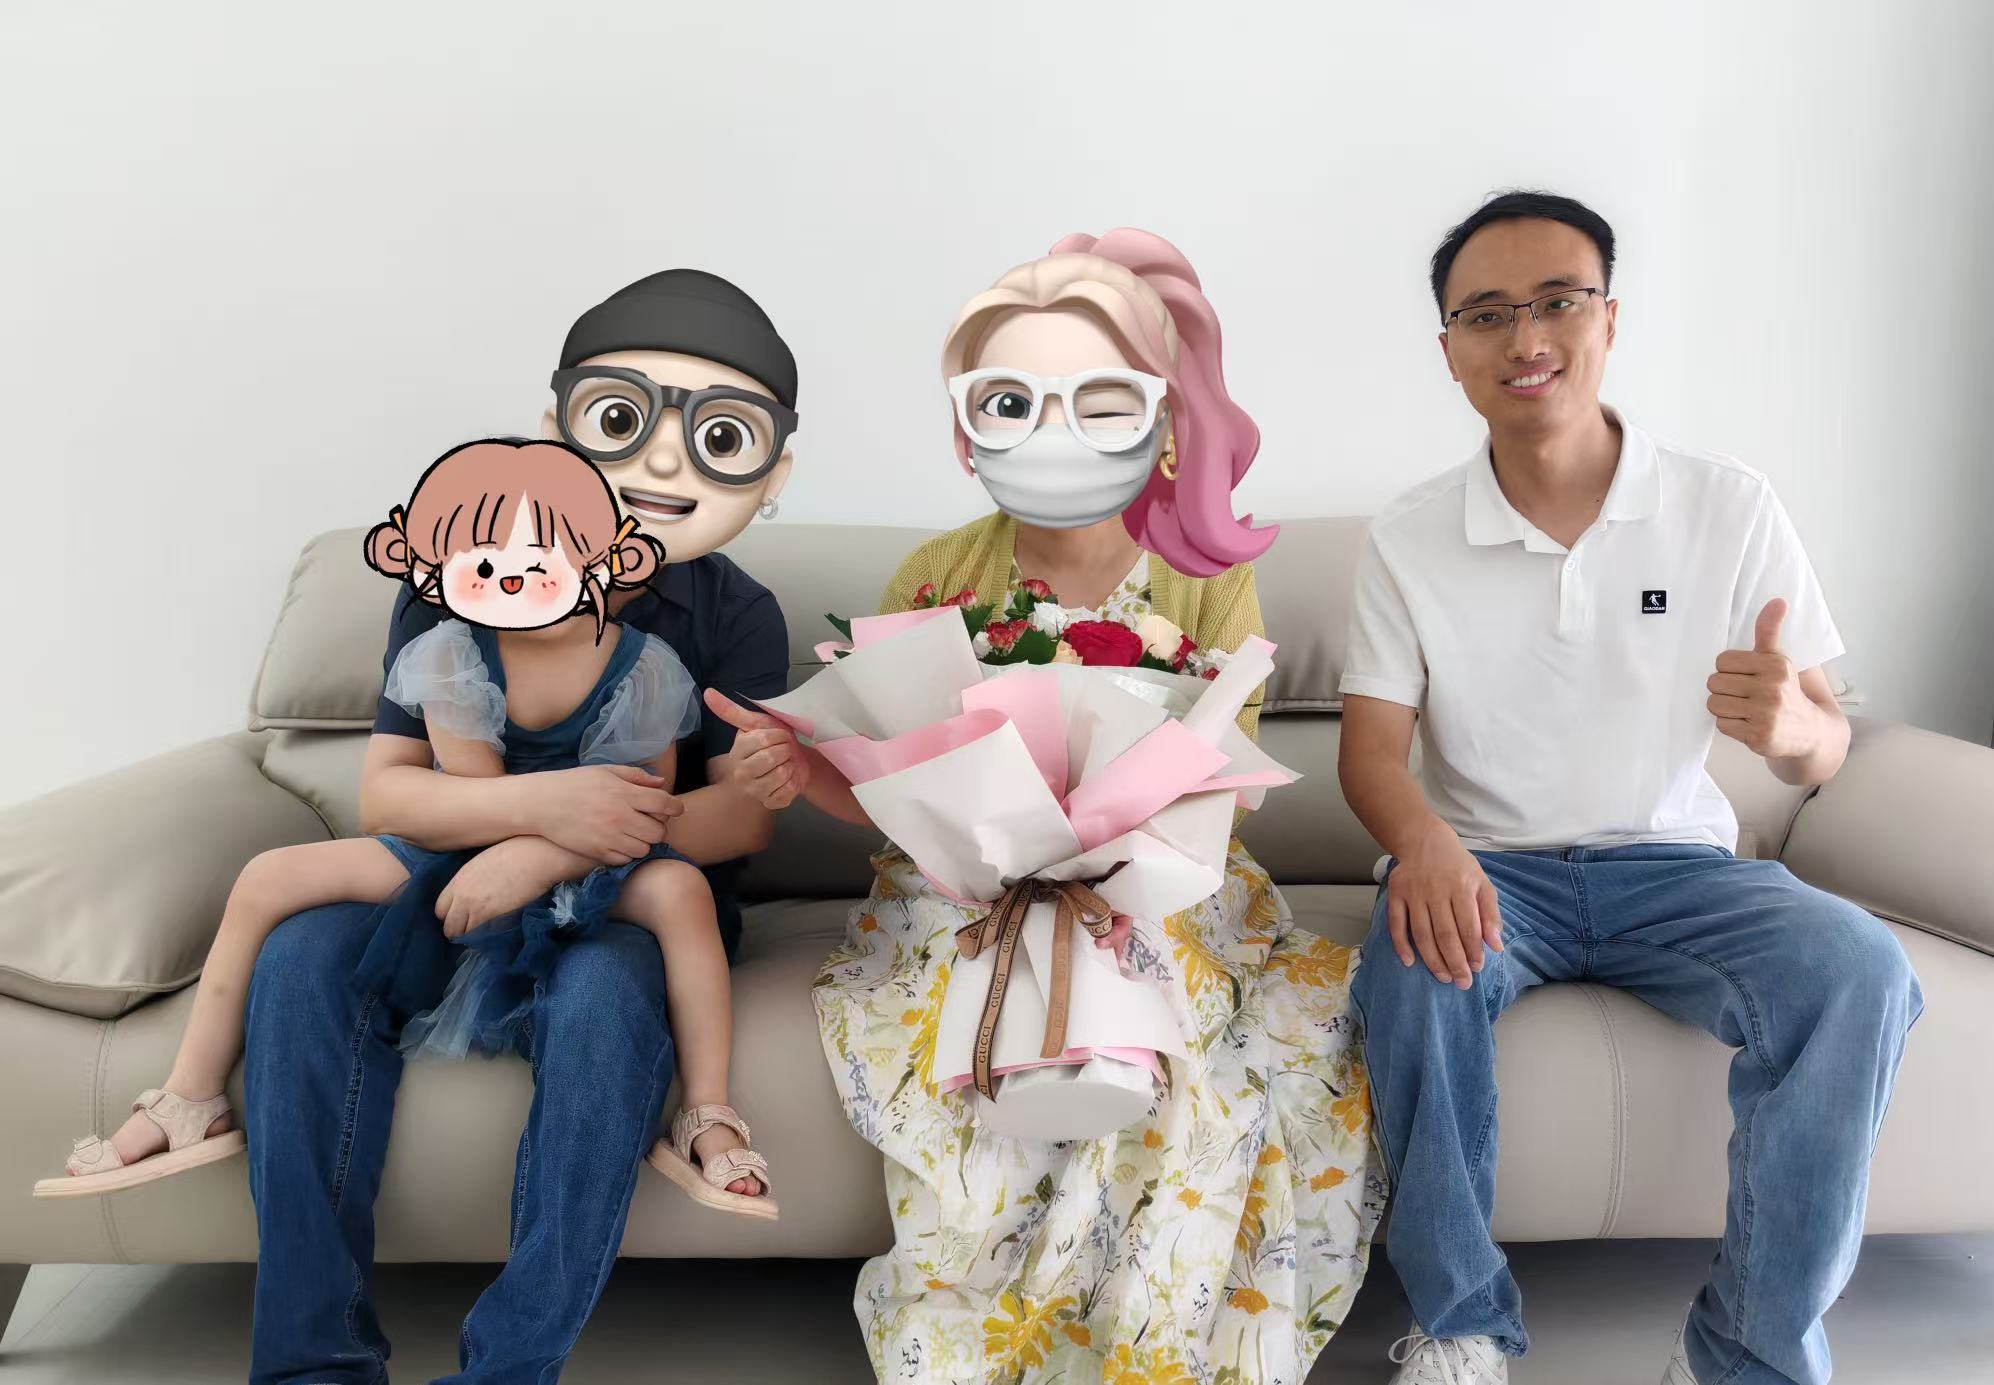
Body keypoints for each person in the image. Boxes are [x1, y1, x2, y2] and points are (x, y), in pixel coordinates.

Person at [713, 229, 1383, 1385]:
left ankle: (1150, 1344)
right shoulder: (937, 573)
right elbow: (888, 788)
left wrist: (1099, 853)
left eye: (1097, 398)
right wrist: (800, 767)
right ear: (971, 425)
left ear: (1158, 415)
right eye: (1013, 399)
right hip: (960, 887)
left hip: (1158, 877)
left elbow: (1224, 781)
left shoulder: (1206, 574)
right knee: (990, 1023)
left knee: (1188, 1034)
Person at [1339, 191, 1922, 1385]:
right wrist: (1424, 844)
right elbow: (1367, 752)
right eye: (1486, 314)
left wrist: (1794, 727)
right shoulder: (1406, 535)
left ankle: (1743, 1351)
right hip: (1489, 871)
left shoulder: (1727, 504)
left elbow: (1821, 748)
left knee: (1858, 967)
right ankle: (1459, 1325)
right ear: (1449, 351)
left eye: (1556, 300)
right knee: (1407, 963)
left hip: (1676, 867)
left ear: (1607, 318)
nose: (1525, 337)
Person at [241, 270, 799, 1383]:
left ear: (770, 473)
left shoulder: (733, 613)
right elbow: (389, 796)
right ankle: (311, 1361)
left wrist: (553, 849)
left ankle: (508, 1369)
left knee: (603, 991)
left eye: (717, 435)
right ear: (557, 429)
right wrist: (537, 808)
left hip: (621, 908)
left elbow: (741, 818)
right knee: (300, 957)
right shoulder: (458, 578)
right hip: (439, 880)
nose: (661, 463)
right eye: (623, 417)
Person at [41, 439, 771, 1217]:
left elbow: (641, 809)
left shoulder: (651, 665)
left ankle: (708, 1111)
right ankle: (190, 1095)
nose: (511, 579)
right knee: (266, 876)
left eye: (540, 560)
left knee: (682, 894)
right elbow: (471, 802)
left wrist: (548, 851)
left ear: (607, 560)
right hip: (464, 847)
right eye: (484, 565)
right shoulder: (447, 651)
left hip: (598, 860)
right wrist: (540, 820)